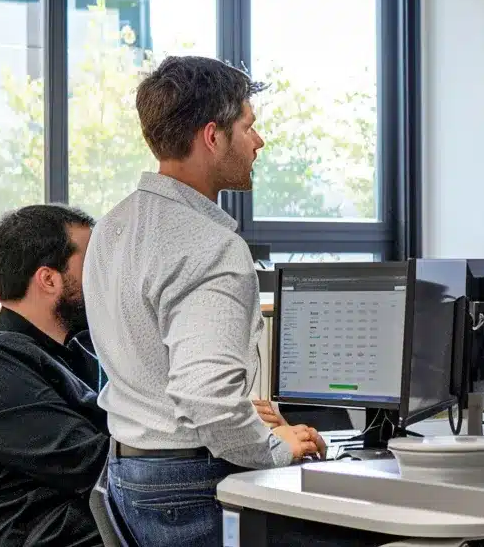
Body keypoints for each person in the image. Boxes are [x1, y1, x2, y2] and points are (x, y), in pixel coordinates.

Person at [85, 56, 326, 546]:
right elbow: (208, 401)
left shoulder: (113, 226)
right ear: (212, 137)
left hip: (129, 475)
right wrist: (274, 447)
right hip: (188, 488)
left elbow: (155, 365)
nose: (258, 142)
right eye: (249, 127)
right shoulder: (209, 247)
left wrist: (237, 413)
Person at [0, 205, 105, 546]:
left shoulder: (74, 353)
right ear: (49, 279)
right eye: (92, 266)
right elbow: (93, 464)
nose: (103, 279)